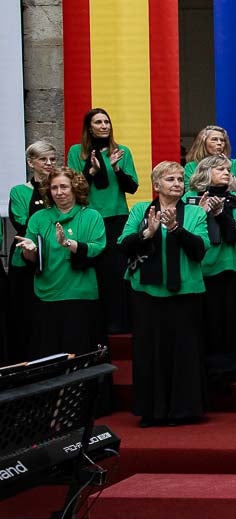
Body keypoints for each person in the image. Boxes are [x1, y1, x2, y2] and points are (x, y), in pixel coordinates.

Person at [118, 162, 210, 426]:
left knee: (184, 352)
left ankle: (184, 411)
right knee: (150, 353)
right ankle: (152, 411)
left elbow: (200, 250)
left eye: (181, 178)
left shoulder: (194, 213)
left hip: (186, 294)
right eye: (170, 179)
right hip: (147, 294)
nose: (177, 183)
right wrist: (147, 232)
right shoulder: (140, 210)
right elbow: (123, 246)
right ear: (156, 185)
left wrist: (177, 230)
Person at [14, 167, 107, 361]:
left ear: (75, 188)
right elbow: (29, 259)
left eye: (64, 186)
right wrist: (29, 250)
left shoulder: (92, 216)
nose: (59, 192)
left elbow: (97, 249)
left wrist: (68, 244)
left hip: (80, 296)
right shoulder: (38, 218)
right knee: (48, 357)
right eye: (54, 188)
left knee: (80, 356)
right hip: (47, 297)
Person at [68, 107, 138, 333]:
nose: (104, 126)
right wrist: (91, 170)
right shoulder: (77, 152)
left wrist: (116, 168)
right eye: (98, 122)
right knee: (94, 269)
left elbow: (132, 187)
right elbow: (75, 188)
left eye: (106, 122)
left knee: (117, 270)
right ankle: (95, 321)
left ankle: (120, 322)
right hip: (89, 217)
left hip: (117, 217)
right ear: (89, 127)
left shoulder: (121, 151)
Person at [189, 155, 236, 389]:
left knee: (232, 320)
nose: (227, 173)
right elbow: (188, 230)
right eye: (221, 170)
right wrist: (203, 212)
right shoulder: (188, 199)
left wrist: (219, 214)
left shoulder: (235, 198)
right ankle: (208, 366)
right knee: (208, 321)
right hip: (203, 268)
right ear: (205, 173)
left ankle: (232, 365)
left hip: (231, 266)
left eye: (228, 170)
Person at [7, 141, 61, 356]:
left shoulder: (60, 189)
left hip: (55, 256)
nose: (49, 163)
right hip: (25, 257)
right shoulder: (19, 191)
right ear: (31, 162)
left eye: (53, 159)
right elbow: (23, 224)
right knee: (25, 313)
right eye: (43, 159)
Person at [183, 125, 236, 195]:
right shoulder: (191, 166)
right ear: (203, 143)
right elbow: (190, 191)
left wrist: (228, 169)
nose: (219, 143)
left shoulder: (235, 164)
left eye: (222, 140)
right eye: (214, 139)